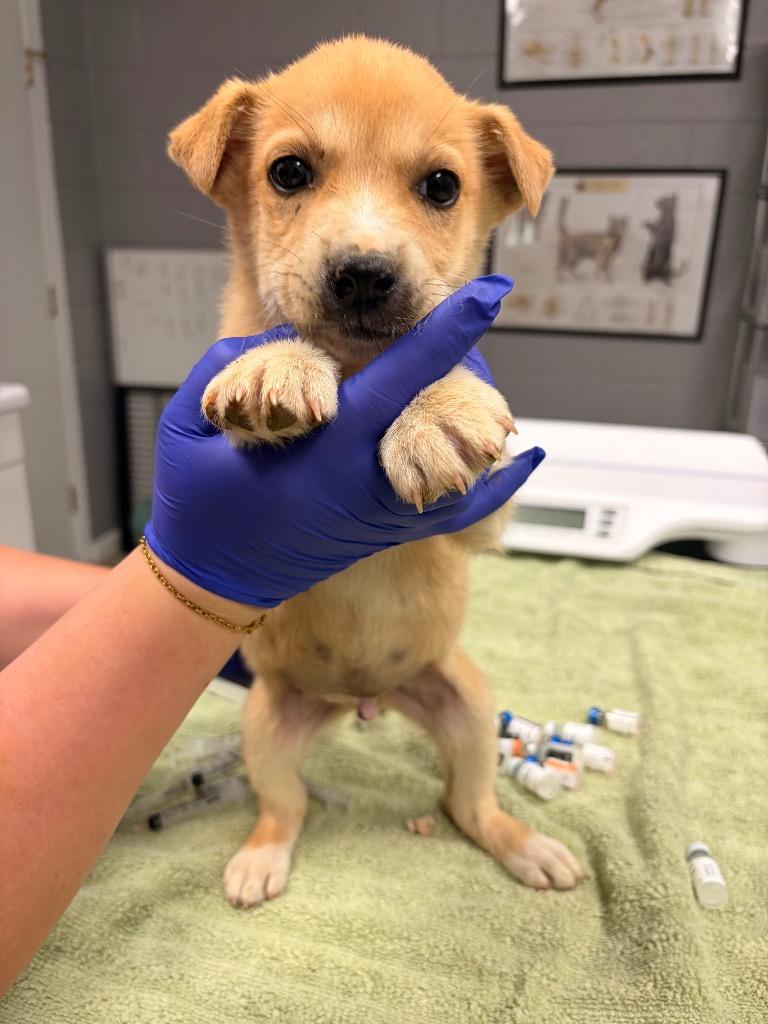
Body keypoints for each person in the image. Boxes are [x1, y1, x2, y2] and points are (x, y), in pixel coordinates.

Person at [0, 277, 544, 995]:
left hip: (420, 662)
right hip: (292, 676)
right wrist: (191, 584)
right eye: (293, 174)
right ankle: (277, 823)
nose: (366, 244)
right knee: (270, 738)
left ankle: (480, 812)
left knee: (468, 707)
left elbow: (478, 528)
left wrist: (176, 605)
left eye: (436, 187)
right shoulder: (265, 347)